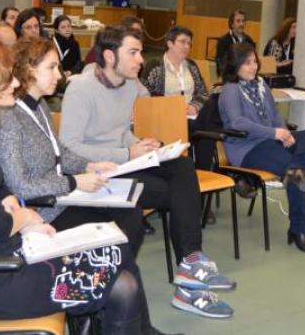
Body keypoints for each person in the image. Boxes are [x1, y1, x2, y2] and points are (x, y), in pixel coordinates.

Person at [0, 37, 166, 334]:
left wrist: (13, 206)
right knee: (121, 274)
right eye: (7, 78)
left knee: (119, 257)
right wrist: (26, 218)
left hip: (13, 256)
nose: (16, 82)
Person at [60, 26, 235, 319]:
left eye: (140, 51)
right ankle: (188, 284)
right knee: (180, 195)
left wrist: (139, 144)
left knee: (181, 165)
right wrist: (127, 153)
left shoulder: (129, 86)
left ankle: (191, 260)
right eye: (133, 52)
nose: (140, 59)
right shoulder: (81, 87)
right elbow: (69, 149)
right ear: (108, 56)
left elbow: (117, 132)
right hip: (97, 176)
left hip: (124, 165)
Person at [0, 37, 143, 255]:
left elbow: (59, 153)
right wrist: (74, 181)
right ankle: (113, 276)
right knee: (122, 227)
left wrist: (89, 166)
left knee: (132, 214)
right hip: (44, 210)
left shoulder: (39, 106)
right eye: (51, 67)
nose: (59, 75)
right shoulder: (8, 117)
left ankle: (115, 275)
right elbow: (20, 186)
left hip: (63, 198)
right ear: (29, 69)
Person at [218, 42, 305, 254]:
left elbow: (274, 115)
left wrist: (283, 133)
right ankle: (299, 231)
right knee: (296, 172)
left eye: (255, 61)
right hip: (247, 148)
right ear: (235, 65)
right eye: (247, 63)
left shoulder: (261, 85)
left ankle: (294, 172)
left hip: (271, 141)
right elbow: (237, 123)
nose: (254, 66)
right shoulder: (230, 90)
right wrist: (275, 133)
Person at [140, 26, 213, 172]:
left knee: (209, 120)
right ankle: (196, 171)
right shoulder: (156, 65)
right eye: (183, 42)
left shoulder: (191, 65)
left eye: (189, 43)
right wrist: (171, 108)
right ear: (170, 43)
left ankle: (202, 172)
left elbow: (203, 92)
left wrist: (194, 106)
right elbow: (145, 96)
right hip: (166, 117)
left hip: (192, 115)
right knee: (205, 130)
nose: (187, 46)